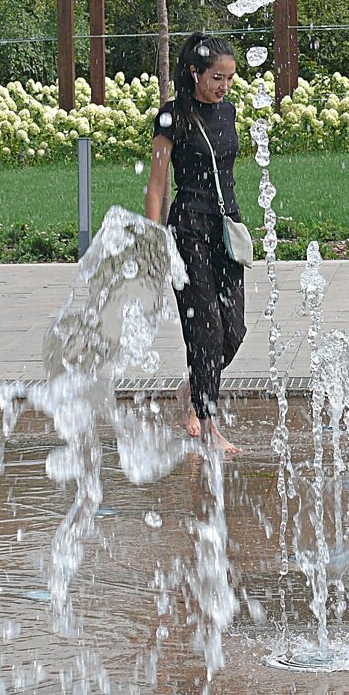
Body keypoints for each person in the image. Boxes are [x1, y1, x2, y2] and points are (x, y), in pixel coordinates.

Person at [145, 32, 247, 454]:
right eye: (217, 77)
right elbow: (156, 185)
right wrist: (152, 241)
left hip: (226, 228)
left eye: (229, 78)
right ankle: (209, 426)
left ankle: (193, 389)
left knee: (233, 331)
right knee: (204, 329)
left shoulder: (228, 113)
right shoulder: (172, 116)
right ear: (194, 71)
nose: (224, 86)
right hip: (187, 230)